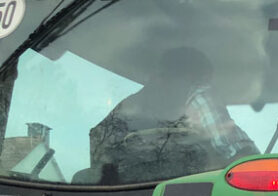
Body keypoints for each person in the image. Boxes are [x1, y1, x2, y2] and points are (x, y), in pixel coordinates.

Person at [88, 46, 258, 183]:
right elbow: (246, 162)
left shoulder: (121, 115)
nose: (203, 92)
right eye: (201, 83)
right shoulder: (199, 96)